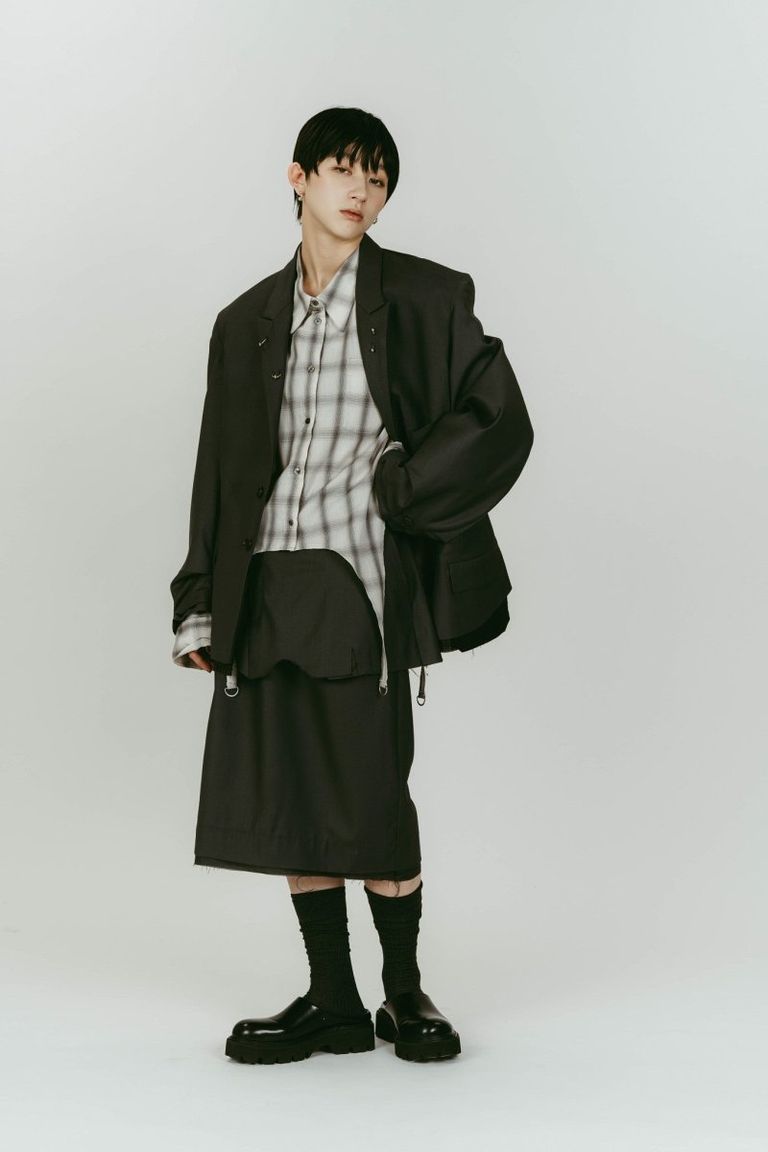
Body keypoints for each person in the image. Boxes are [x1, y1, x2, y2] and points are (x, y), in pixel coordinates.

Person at [169, 106, 534, 1065]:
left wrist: (411, 486)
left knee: (372, 791)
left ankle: (403, 993)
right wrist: (198, 600)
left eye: (376, 177)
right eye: (342, 169)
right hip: (267, 582)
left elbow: (498, 415)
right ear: (298, 178)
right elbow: (220, 469)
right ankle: (333, 999)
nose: (361, 190)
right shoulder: (244, 322)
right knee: (293, 788)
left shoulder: (422, 297)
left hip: (362, 581)